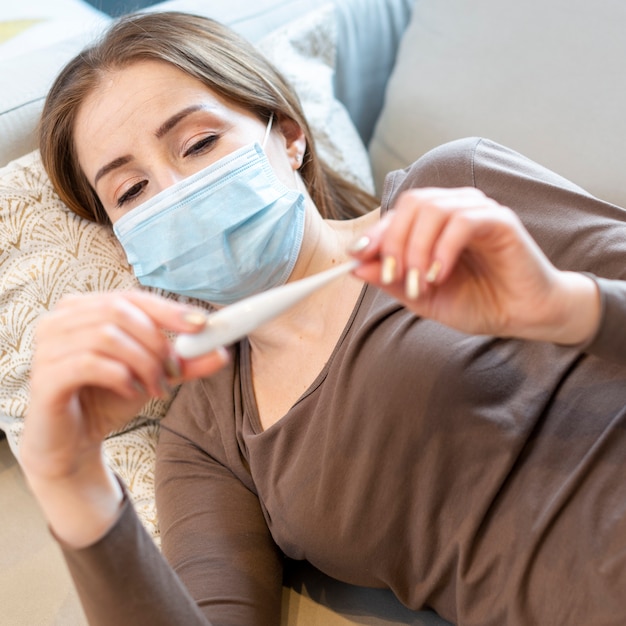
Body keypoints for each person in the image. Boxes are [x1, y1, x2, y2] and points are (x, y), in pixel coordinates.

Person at [20, 10, 626, 626]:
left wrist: (565, 306)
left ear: (287, 136)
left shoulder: (448, 198)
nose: (176, 191)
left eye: (200, 143)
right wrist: (70, 486)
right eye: (131, 191)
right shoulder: (203, 437)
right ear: (124, 243)